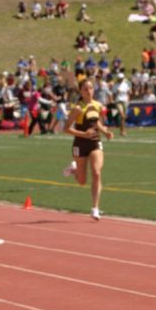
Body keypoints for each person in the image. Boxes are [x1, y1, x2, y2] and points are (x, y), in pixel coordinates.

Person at [63, 79, 113, 220]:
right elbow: (66, 129)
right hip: (80, 144)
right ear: (81, 91)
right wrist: (84, 134)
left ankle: (95, 208)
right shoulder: (78, 108)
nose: (89, 90)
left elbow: (96, 121)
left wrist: (105, 131)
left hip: (95, 142)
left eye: (91, 88)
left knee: (96, 172)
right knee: (82, 181)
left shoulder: (98, 105)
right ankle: (74, 170)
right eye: (85, 88)